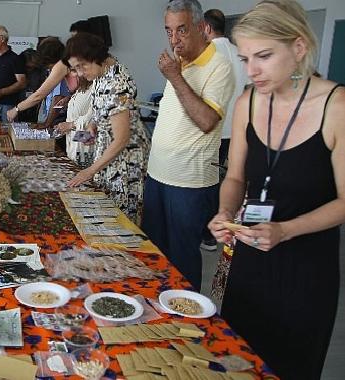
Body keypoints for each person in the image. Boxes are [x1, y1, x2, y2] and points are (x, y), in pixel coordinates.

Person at [208, 1, 345, 378]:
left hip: (306, 265)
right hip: (250, 258)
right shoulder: (248, 101)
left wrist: (286, 229)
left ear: (298, 48)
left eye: (264, 56)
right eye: (245, 58)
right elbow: (235, 177)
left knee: (291, 364)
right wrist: (224, 212)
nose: (251, 71)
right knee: (240, 359)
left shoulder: (336, 105)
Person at [141, 0, 234, 291]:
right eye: (168, 31)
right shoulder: (179, 63)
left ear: (201, 27)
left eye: (182, 30)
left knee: (181, 262)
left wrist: (175, 77)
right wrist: (176, 74)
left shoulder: (219, 65)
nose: (174, 39)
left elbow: (206, 120)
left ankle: (186, 325)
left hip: (189, 182)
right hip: (158, 175)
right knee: (153, 256)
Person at [65, 33, 150, 224]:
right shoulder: (102, 73)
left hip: (125, 163)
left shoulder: (117, 83)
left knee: (119, 221)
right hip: (108, 155)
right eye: (75, 68)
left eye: (81, 66)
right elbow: (103, 107)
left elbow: (121, 139)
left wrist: (90, 171)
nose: (79, 73)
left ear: (95, 57)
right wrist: (94, 124)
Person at [200, 8, 249, 252]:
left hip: (212, 129)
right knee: (225, 179)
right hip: (235, 131)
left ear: (206, 28)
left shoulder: (209, 53)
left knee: (206, 182)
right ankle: (215, 234)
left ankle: (208, 233)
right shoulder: (239, 53)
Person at [7, 37, 74, 123]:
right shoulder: (66, 65)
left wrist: (16, 109)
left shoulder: (61, 67)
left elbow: (40, 95)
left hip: (59, 118)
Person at [0, 25, 26, 122]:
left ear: (2, 39)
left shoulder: (15, 59)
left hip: (8, 105)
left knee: (7, 132)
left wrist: (2, 92)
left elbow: (22, 83)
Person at [54, 74, 94, 166]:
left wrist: (70, 125)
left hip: (85, 147)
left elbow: (92, 117)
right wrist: (64, 127)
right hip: (74, 145)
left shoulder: (93, 91)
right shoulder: (79, 90)